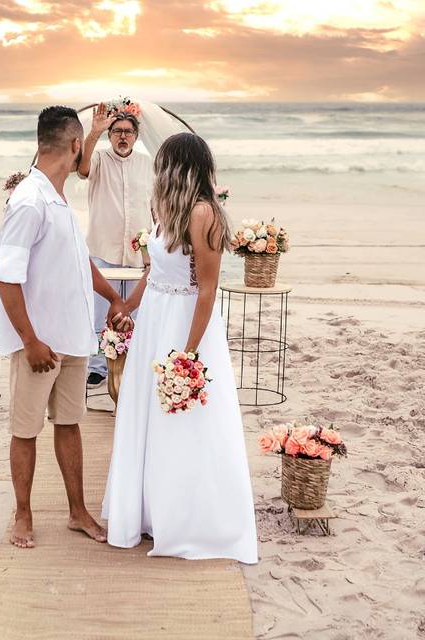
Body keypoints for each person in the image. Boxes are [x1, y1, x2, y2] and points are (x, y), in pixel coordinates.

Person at [101, 133, 259, 563]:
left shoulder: (204, 213)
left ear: (178, 165)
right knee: (147, 416)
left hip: (188, 326)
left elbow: (206, 291)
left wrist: (187, 353)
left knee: (184, 423)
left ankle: (187, 519)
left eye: (163, 161)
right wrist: (127, 308)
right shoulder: (162, 210)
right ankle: (150, 513)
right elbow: (154, 274)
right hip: (154, 320)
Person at [0, 106, 132, 549]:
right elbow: (5, 276)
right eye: (83, 146)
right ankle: (23, 514)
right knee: (25, 429)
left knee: (69, 424)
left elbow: (79, 260)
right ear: (75, 146)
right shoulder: (29, 201)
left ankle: (77, 512)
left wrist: (112, 296)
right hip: (39, 344)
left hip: (74, 339)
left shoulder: (58, 199)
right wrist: (30, 340)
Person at [78, 102, 153, 386]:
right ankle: (97, 366)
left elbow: (154, 206)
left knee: (134, 311)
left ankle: (131, 363)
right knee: (100, 312)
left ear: (136, 136)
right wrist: (94, 131)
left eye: (128, 132)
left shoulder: (147, 164)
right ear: (110, 135)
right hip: (102, 249)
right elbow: (82, 170)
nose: (123, 136)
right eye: (117, 131)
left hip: (137, 255)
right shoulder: (98, 158)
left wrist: (152, 249)